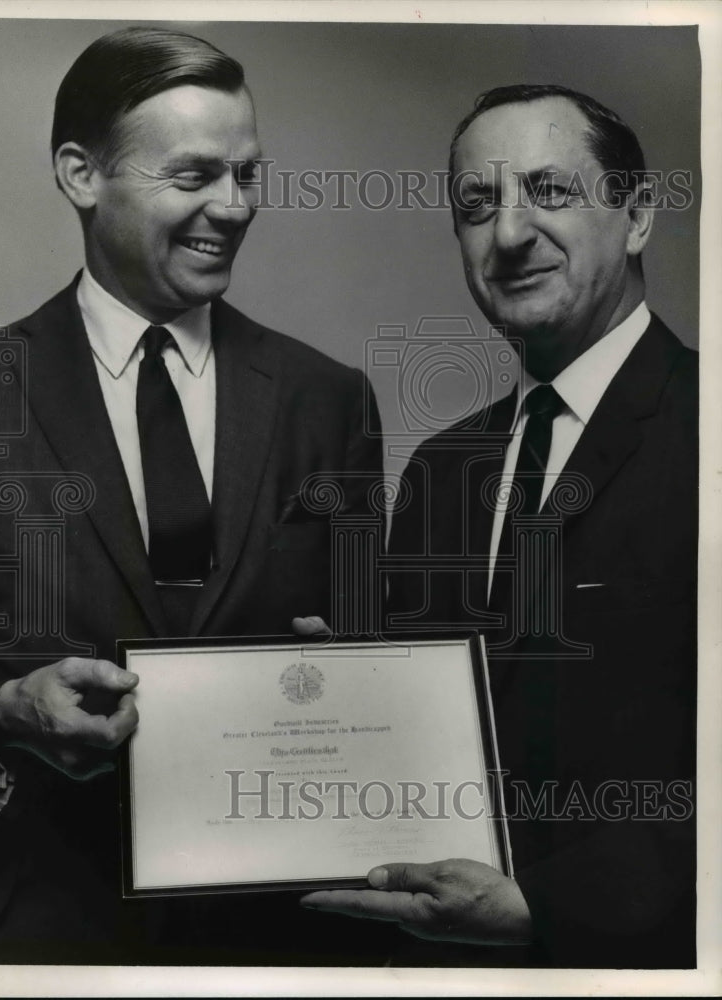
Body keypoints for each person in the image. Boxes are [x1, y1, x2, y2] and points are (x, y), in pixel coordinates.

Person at [0, 26, 390, 966]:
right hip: (36, 933)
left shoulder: (332, 401)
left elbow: (371, 659)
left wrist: (366, 673)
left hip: (283, 941)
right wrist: (1, 710)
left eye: (249, 175)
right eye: (196, 175)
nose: (234, 207)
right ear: (81, 174)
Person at [302, 85, 697, 968]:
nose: (510, 235)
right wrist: (347, 695)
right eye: (477, 206)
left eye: (550, 192)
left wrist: (542, 908)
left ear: (636, 216)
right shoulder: (441, 469)